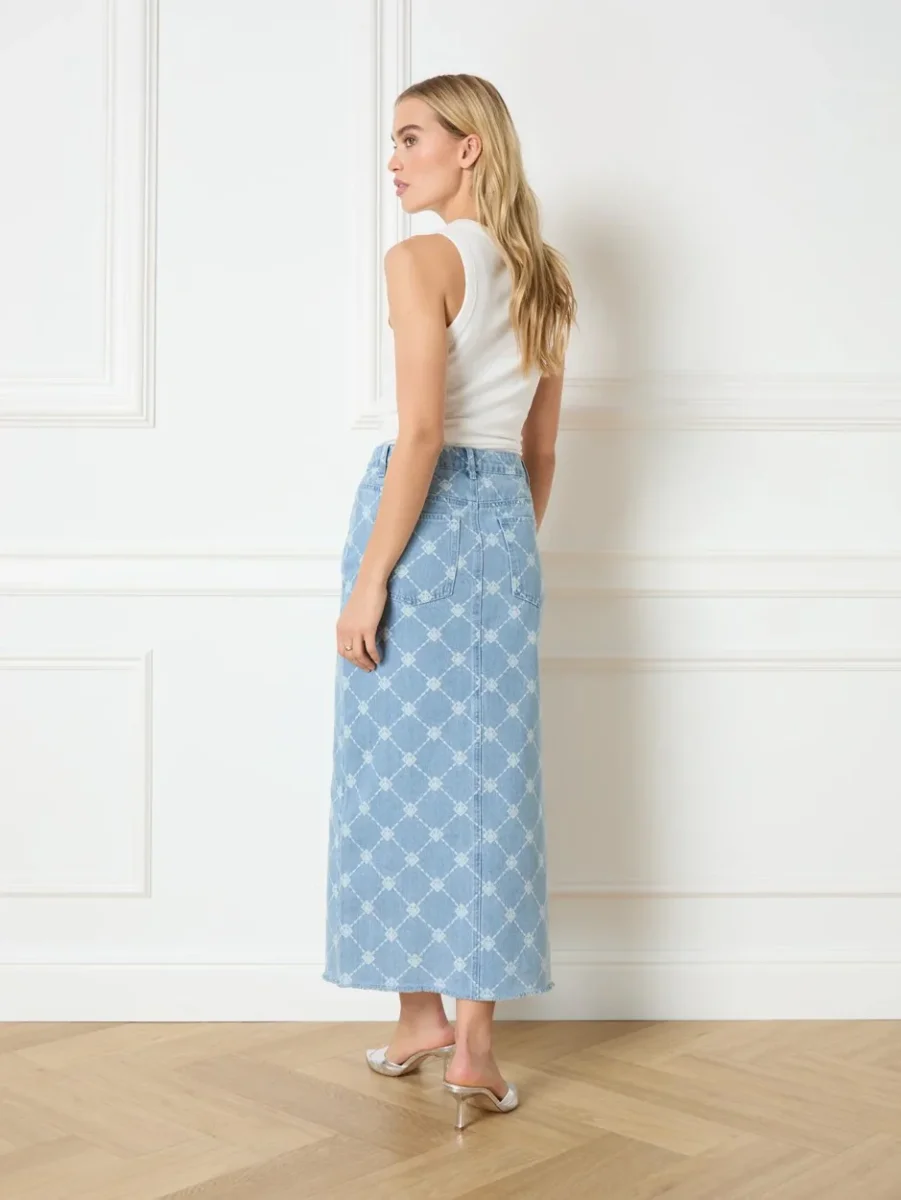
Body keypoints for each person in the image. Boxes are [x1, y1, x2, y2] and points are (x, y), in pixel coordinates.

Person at [322, 73, 577, 1131]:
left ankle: (425, 1016)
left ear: (469, 148)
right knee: (488, 782)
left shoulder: (419, 259)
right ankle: (460, 1037)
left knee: (390, 772)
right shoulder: (546, 276)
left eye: (411, 137)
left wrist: (372, 579)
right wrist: (504, 546)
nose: (393, 159)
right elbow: (539, 450)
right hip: (503, 525)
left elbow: (422, 433)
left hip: (418, 520)